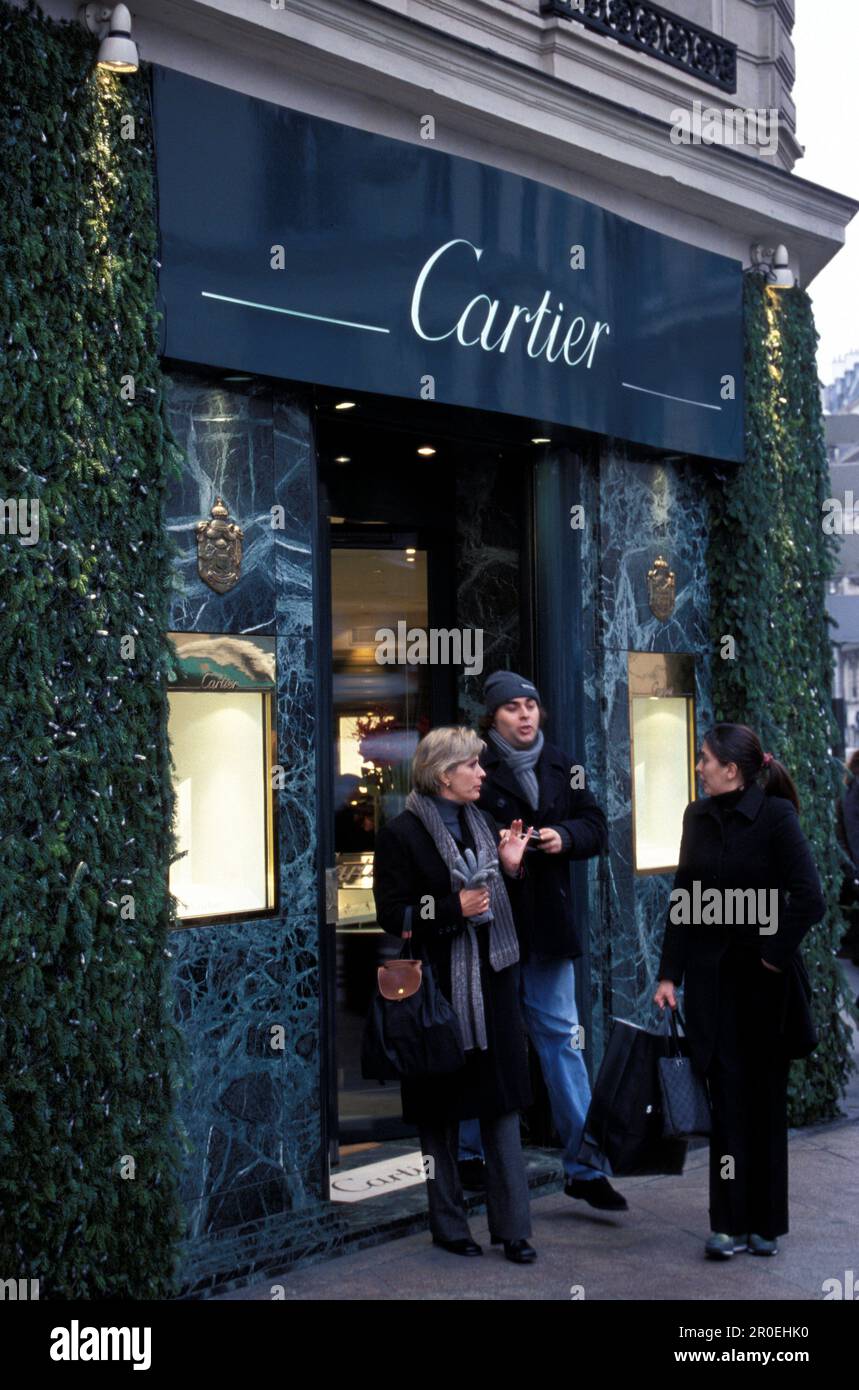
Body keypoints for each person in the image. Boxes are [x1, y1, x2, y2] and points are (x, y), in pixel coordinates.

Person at [654, 723, 825, 1259]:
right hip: (712, 985)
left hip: (766, 989)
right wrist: (668, 975)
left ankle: (765, 1224)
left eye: (706, 759)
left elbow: (810, 897)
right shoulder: (696, 817)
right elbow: (685, 896)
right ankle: (726, 1222)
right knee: (725, 1101)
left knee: (764, 1103)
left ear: (733, 769)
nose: (699, 766)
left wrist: (773, 953)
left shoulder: (775, 817)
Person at [458, 671, 626, 1212]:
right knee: (481, 1041)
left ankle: (584, 1166)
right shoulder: (472, 766)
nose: (526, 715)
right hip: (490, 930)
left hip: (549, 933)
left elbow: (597, 824)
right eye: (512, 708)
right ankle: (468, 1156)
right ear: (493, 718)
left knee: (563, 1043)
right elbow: (462, 836)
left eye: (531, 704)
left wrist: (565, 837)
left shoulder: (564, 763)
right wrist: (508, 860)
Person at [372, 725, 538, 1263]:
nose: (482, 774)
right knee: (438, 1113)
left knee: (503, 1106)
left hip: (493, 984)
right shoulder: (401, 834)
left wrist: (512, 868)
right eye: (473, 766)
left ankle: (514, 1230)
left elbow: (500, 904)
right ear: (445, 774)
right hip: (435, 991)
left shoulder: (485, 823)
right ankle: (449, 1226)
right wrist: (448, 909)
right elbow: (392, 914)